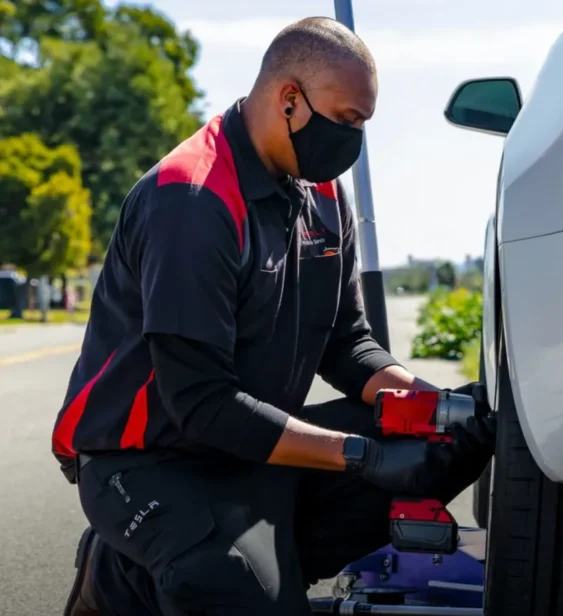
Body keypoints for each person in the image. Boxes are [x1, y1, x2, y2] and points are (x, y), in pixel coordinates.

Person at [56, 17, 495, 616]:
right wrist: (359, 454)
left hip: (254, 445)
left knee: (460, 438)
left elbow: (347, 342)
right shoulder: (193, 200)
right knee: (236, 589)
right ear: (290, 98)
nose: (353, 141)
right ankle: (128, 574)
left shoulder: (322, 193)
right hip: (150, 462)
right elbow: (203, 404)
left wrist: (436, 407)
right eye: (346, 120)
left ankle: (243, 560)